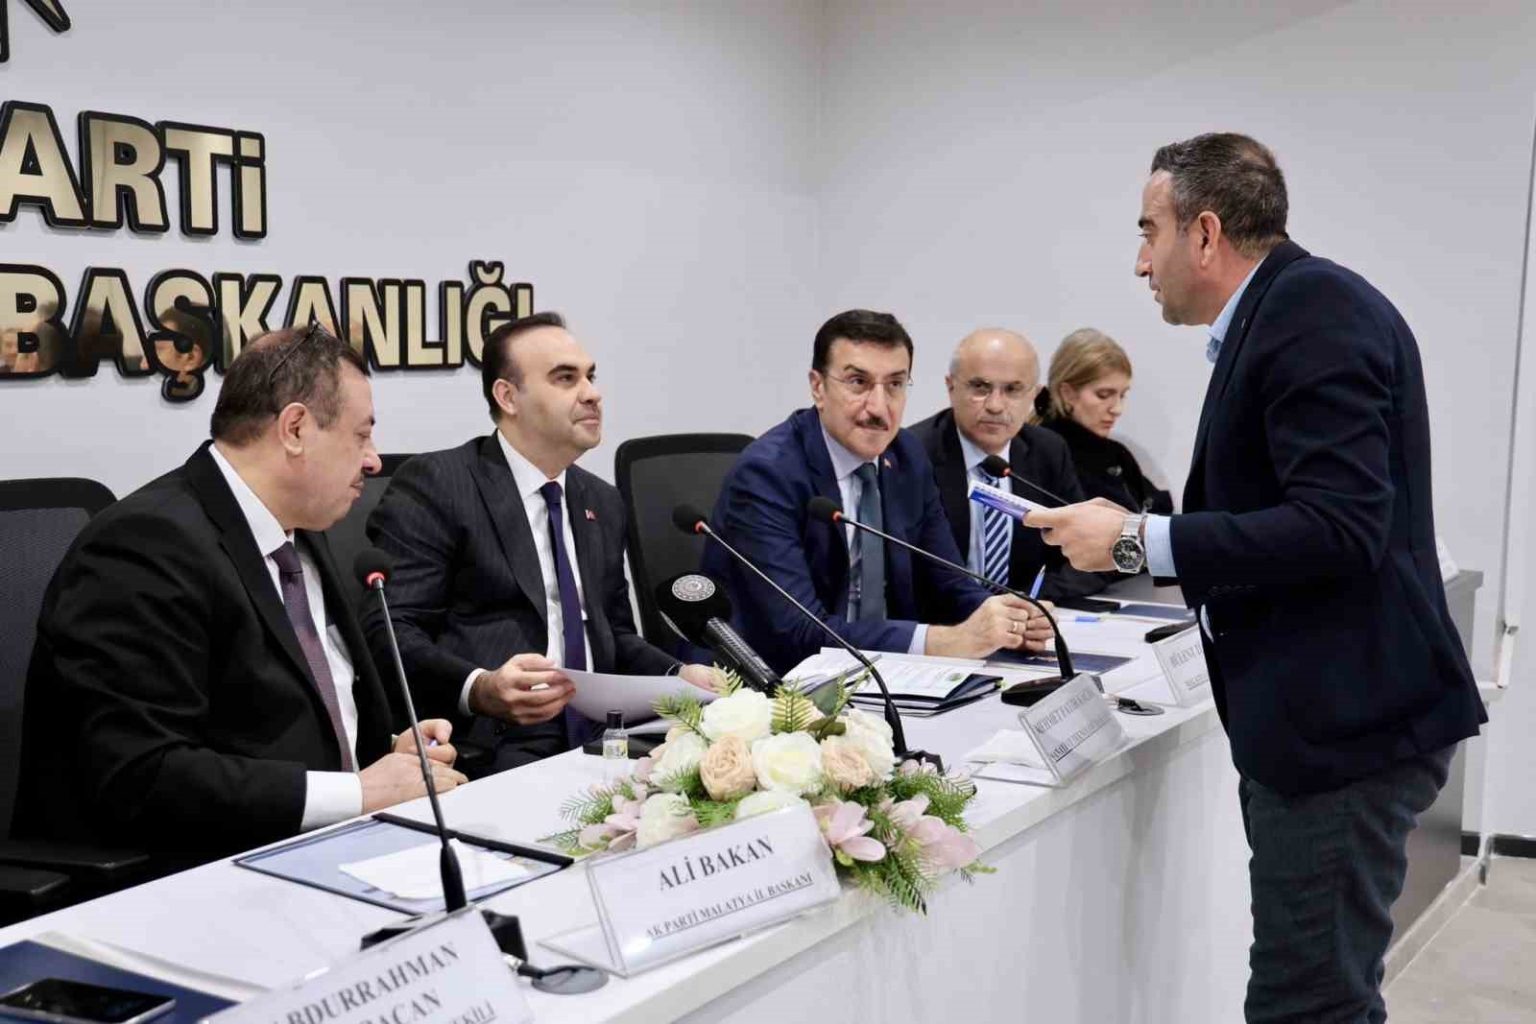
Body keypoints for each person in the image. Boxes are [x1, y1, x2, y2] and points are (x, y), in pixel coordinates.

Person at [1028, 133, 1485, 1023]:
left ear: (1204, 234)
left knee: (1306, 1005)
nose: (1140, 262)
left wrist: (1138, 542)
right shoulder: (1289, 311)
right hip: (1325, 722)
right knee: (1319, 995)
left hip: (1343, 730)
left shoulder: (1312, 310)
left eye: (1148, 232)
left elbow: (1340, 524)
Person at [16, 325, 466, 877]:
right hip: (189, 875)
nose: (373, 461)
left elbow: (276, 712)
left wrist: (389, 749)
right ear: (295, 428)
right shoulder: (145, 546)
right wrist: (358, 792)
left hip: (330, 848)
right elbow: (141, 773)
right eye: (361, 436)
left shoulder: (301, 531)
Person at [364, 312, 716, 775]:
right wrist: (481, 687)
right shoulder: (439, 485)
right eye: (565, 378)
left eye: (590, 377)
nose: (592, 393)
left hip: (607, 734)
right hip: (501, 740)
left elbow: (614, 633)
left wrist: (678, 676)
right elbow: (390, 630)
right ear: (508, 396)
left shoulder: (601, 501)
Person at [704, 309, 1052, 675]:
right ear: (818, 387)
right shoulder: (767, 474)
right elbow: (797, 631)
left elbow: (948, 581)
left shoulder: (905, 455)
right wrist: (937, 642)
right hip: (776, 680)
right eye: (858, 382)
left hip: (890, 675)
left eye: (895, 384)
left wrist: (1006, 618)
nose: (879, 407)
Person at [908, 327, 1107, 599]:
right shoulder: (913, 453)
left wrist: (1023, 603)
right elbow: (903, 575)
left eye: (1013, 390)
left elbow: (1086, 559)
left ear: (1034, 395)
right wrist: (979, 611)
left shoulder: (1047, 451)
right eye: (980, 387)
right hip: (942, 619)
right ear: (951, 387)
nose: (995, 405)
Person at [1037, 327, 1173, 515]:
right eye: (1103, 395)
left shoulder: (1117, 454)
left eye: (1122, 395)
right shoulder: (1039, 455)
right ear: (1067, 393)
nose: (1117, 409)